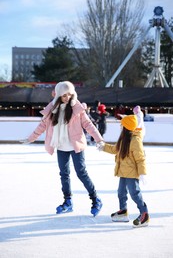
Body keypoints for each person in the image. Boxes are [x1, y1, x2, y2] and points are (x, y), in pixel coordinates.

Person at [21, 81, 103, 217]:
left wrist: (99, 139)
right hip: (61, 146)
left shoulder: (77, 108)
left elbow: (88, 124)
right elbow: (42, 125)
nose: (68, 98)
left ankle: (95, 199)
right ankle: (68, 201)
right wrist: (31, 138)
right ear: (58, 95)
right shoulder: (53, 109)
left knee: (81, 173)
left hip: (76, 145)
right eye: (64, 95)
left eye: (70, 95)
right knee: (64, 174)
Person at [97, 115, 149, 228]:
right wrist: (103, 147)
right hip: (123, 171)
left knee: (134, 193)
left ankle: (144, 214)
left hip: (132, 173)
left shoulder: (135, 140)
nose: (121, 126)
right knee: (121, 193)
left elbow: (140, 158)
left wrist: (142, 173)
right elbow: (115, 149)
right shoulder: (124, 139)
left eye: (122, 125)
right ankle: (123, 211)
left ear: (127, 127)